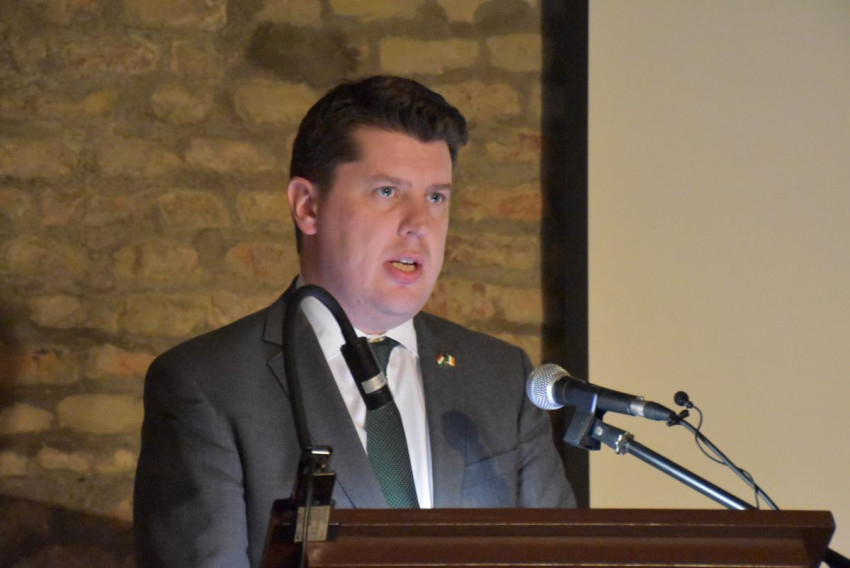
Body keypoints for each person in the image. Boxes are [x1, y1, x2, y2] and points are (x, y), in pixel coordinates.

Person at [134, 75, 575, 568]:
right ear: (308, 206)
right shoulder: (208, 386)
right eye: (387, 192)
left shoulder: (501, 377)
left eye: (436, 198)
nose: (419, 225)